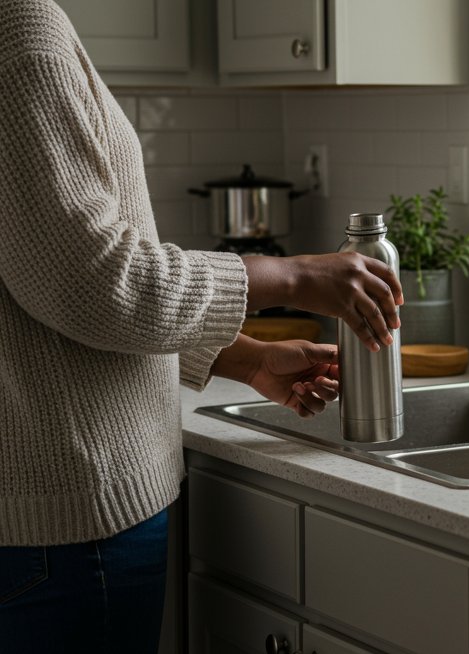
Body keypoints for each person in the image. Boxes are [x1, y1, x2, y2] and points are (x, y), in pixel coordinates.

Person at [0, 1, 403, 651]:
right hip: (64, 519)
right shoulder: (19, 31)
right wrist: (294, 276)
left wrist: (240, 359)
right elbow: (95, 284)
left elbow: (41, 287)